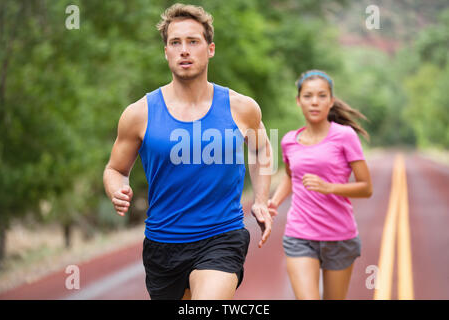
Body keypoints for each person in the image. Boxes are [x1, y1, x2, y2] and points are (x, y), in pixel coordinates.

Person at [103, 3, 273, 300]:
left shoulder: (241, 108)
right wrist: (117, 188)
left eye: (193, 41)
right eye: (175, 42)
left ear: (210, 49)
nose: (184, 50)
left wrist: (260, 200)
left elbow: (261, 149)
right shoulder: (138, 114)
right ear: (166, 51)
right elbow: (115, 169)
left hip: (222, 237)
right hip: (162, 245)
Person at [267, 70, 373, 300]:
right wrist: (274, 201)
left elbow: (366, 187)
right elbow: (290, 176)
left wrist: (329, 187)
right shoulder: (289, 141)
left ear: (331, 100)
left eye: (322, 96)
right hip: (300, 235)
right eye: (308, 96)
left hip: (339, 236)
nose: (314, 102)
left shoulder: (345, 136)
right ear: (298, 101)